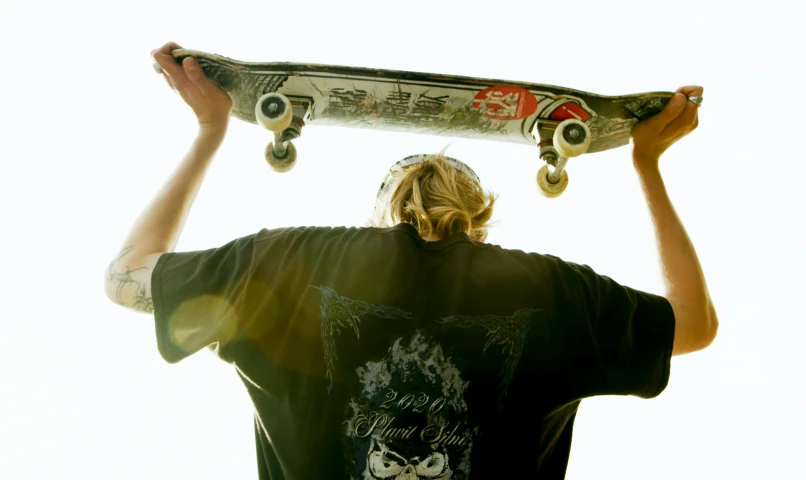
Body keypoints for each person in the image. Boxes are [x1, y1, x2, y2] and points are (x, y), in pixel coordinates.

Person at [104, 42, 716, 479]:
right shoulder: (553, 294)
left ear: (382, 209)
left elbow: (127, 275)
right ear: (481, 213)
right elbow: (693, 323)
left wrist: (210, 130)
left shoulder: (286, 263)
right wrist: (648, 166)